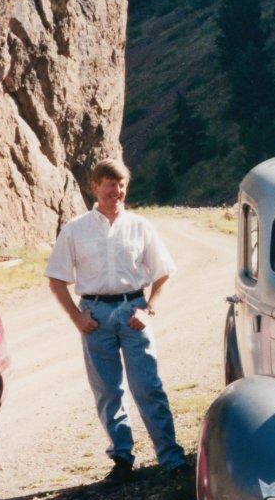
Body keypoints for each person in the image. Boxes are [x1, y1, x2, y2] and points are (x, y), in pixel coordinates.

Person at [45, 157, 188, 482]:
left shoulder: (141, 227)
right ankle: (122, 459)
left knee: (149, 387)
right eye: (110, 185)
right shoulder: (75, 230)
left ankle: (171, 458)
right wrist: (76, 317)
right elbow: (56, 279)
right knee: (108, 391)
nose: (117, 191)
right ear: (94, 187)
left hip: (133, 311)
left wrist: (148, 309)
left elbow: (163, 273)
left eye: (121, 184)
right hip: (95, 315)